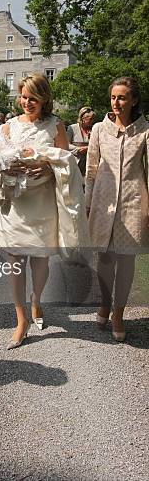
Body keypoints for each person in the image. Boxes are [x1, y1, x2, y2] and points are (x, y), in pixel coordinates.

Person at [0, 74, 83, 348]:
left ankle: (37, 300)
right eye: (23, 96)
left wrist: (47, 166)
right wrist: (6, 167)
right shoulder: (8, 127)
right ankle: (21, 319)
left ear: (44, 99)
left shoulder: (56, 126)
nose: (27, 102)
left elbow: (67, 163)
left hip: (43, 201)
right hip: (15, 204)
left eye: (32, 98)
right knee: (15, 260)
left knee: (40, 259)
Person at [85, 77, 149, 342]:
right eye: (113, 97)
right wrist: (88, 201)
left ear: (133, 100)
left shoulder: (145, 131)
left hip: (133, 203)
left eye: (122, 97)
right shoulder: (100, 129)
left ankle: (119, 313)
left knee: (125, 261)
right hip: (103, 201)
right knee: (105, 259)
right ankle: (104, 302)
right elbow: (91, 168)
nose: (116, 102)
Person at [67, 107, 95, 177]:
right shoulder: (72, 128)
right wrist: (78, 149)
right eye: (90, 119)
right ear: (82, 118)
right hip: (74, 162)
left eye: (93, 119)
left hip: (89, 164)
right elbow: (66, 144)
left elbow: (99, 145)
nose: (91, 121)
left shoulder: (94, 129)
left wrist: (88, 148)